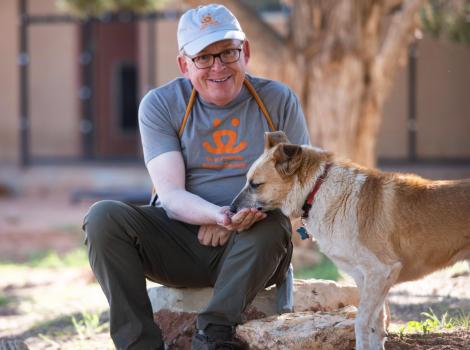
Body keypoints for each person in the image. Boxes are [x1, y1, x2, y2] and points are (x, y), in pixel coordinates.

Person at [83, 3, 310, 350]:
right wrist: (219, 215)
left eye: (227, 52)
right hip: (180, 242)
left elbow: (300, 190)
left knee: (272, 226)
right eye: (203, 57)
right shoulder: (161, 105)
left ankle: (214, 334)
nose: (217, 66)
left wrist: (236, 223)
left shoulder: (277, 101)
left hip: (254, 247)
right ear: (184, 64)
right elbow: (171, 195)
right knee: (103, 218)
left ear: (245, 51)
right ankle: (139, 344)